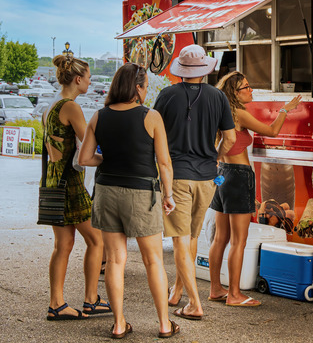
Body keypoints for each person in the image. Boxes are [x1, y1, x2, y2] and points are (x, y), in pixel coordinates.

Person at [79, 63, 179, 339]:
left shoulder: (99, 116)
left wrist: (108, 159)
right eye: (145, 86)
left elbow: (84, 159)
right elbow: (164, 162)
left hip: (107, 192)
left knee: (115, 260)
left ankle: (120, 323)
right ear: (137, 88)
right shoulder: (151, 116)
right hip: (141, 193)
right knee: (153, 260)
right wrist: (168, 196)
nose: (146, 91)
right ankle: (164, 324)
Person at [153, 45, 236, 320]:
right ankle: (177, 292)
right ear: (204, 69)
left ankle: (194, 303)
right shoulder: (218, 97)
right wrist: (216, 157)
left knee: (179, 240)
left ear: (181, 70)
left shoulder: (166, 95)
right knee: (190, 238)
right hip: (206, 178)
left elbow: (152, 133)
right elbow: (231, 138)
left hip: (176, 177)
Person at [208, 72, 301, 306]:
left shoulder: (221, 111)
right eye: (246, 87)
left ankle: (216, 289)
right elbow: (271, 132)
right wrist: (285, 110)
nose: (251, 90)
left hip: (223, 176)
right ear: (234, 93)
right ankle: (234, 294)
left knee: (220, 238)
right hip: (239, 177)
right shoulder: (238, 113)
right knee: (239, 240)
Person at [42, 54, 109, 321]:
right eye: (89, 77)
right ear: (78, 79)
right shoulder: (71, 107)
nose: (91, 82)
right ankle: (91, 299)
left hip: (51, 179)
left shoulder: (51, 104)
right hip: (69, 182)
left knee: (63, 244)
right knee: (96, 240)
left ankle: (56, 303)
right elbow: (90, 143)